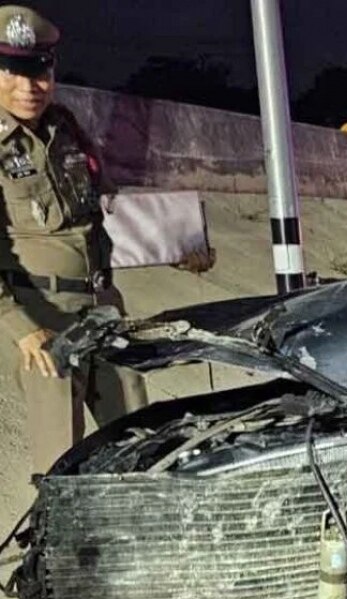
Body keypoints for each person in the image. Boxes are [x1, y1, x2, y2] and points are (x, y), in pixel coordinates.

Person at [0, 6, 211, 473]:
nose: (28, 87)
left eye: (38, 72)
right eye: (12, 72)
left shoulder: (66, 128)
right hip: (43, 321)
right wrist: (19, 328)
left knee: (138, 439)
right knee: (61, 461)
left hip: (102, 309)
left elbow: (109, 209)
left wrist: (179, 246)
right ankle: (60, 546)